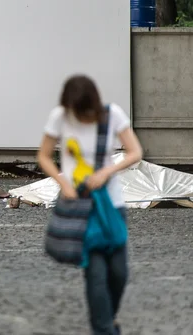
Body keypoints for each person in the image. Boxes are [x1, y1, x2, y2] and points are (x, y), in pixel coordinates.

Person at [37, 75, 143, 334]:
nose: (81, 118)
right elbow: (43, 155)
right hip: (79, 208)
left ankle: (109, 318)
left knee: (119, 273)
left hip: (112, 204)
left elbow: (135, 152)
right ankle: (104, 329)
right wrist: (63, 183)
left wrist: (107, 172)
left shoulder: (112, 115)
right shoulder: (60, 117)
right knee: (95, 276)